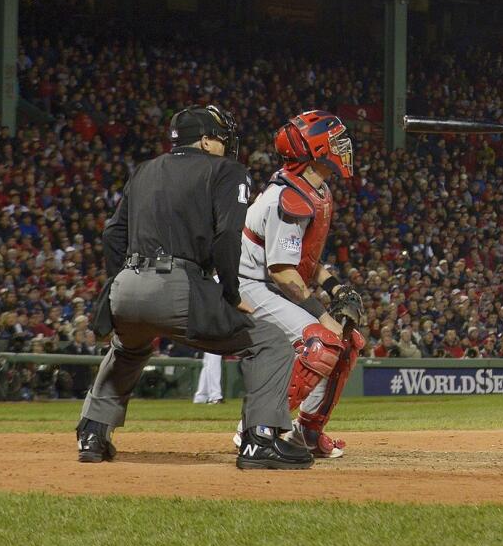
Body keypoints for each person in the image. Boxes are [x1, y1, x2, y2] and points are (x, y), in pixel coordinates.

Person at [77, 105, 310, 470]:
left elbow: (112, 234)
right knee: (270, 343)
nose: (225, 145)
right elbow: (226, 238)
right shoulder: (227, 171)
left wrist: (119, 283)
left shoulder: (144, 170)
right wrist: (232, 296)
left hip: (126, 284)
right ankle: (259, 439)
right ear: (204, 140)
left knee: (128, 347)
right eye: (219, 138)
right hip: (179, 284)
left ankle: (92, 432)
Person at [235, 110, 363, 460]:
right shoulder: (287, 198)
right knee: (321, 340)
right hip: (248, 284)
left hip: (269, 282)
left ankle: (306, 433)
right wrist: (321, 313)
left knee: (349, 341)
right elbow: (281, 271)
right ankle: (257, 427)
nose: (343, 146)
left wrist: (336, 288)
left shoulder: (312, 188)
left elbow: (301, 260)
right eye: (335, 141)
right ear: (317, 148)